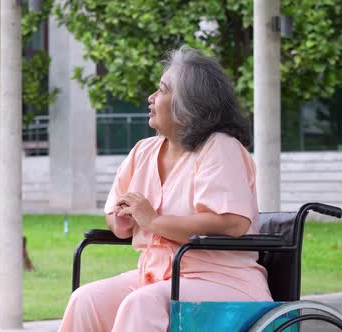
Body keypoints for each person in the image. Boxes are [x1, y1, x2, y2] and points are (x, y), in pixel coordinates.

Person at [58, 47, 272, 332]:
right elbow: (116, 213)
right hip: (155, 277)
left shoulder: (220, 147)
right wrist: (122, 220)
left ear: (188, 105)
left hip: (222, 280)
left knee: (142, 304)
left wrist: (153, 221)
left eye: (161, 90)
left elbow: (232, 222)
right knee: (86, 299)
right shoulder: (142, 151)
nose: (151, 98)